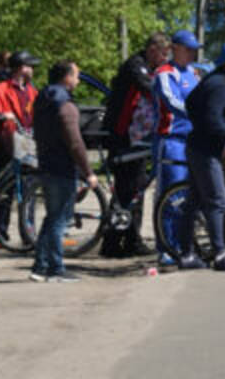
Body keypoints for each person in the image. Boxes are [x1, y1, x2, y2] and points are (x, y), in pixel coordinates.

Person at [180, 41, 225, 272]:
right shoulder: (220, 85)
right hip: (205, 150)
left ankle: (187, 254)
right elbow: (212, 122)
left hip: (198, 146)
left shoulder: (215, 80)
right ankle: (219, 255)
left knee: (194, 202)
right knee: (217, 200)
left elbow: (191, 103)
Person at [101, 32, 169, 257]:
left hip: (139, 136)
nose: (164, 58)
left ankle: (132, 239)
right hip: (123, 136)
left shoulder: (151, 68)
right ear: (152, 50)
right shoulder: (135, 66)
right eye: (162, 53)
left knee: (137, 188)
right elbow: (149, 88)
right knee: (124, 189)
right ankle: (111, 242)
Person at [30, 61, 97, 282]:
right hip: (62, 168)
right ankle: (56, 269)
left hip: (45, 164)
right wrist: (88, 172)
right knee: (60, 220)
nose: (78, 80)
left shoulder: (42, 99)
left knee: (51, 218)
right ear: (66, 78)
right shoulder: (65, 105)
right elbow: (75, 142)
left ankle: (40, 267)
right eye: (76, 76)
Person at [152, 30, 201, 268]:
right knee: (170, 196)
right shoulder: (164, 73)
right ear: (176, 48)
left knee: (189, 196)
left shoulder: (192, 73)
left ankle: (184, 245)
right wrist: (198, 112)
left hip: (192, 140)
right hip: (171, 140)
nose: (193, 53)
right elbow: (171, 101)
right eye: (188, 49)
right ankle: (165, 247)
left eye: (195, 49)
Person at [0, 50, 41, 244]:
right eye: (30, 66)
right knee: (5, 190)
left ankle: (28, 232)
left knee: (30, 188)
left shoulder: (32, 91)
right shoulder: (0, 89)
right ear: (21, 68)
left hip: (27, 143)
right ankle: (0, 234)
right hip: (5, 145)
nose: (32, 70)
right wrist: (3, 115)